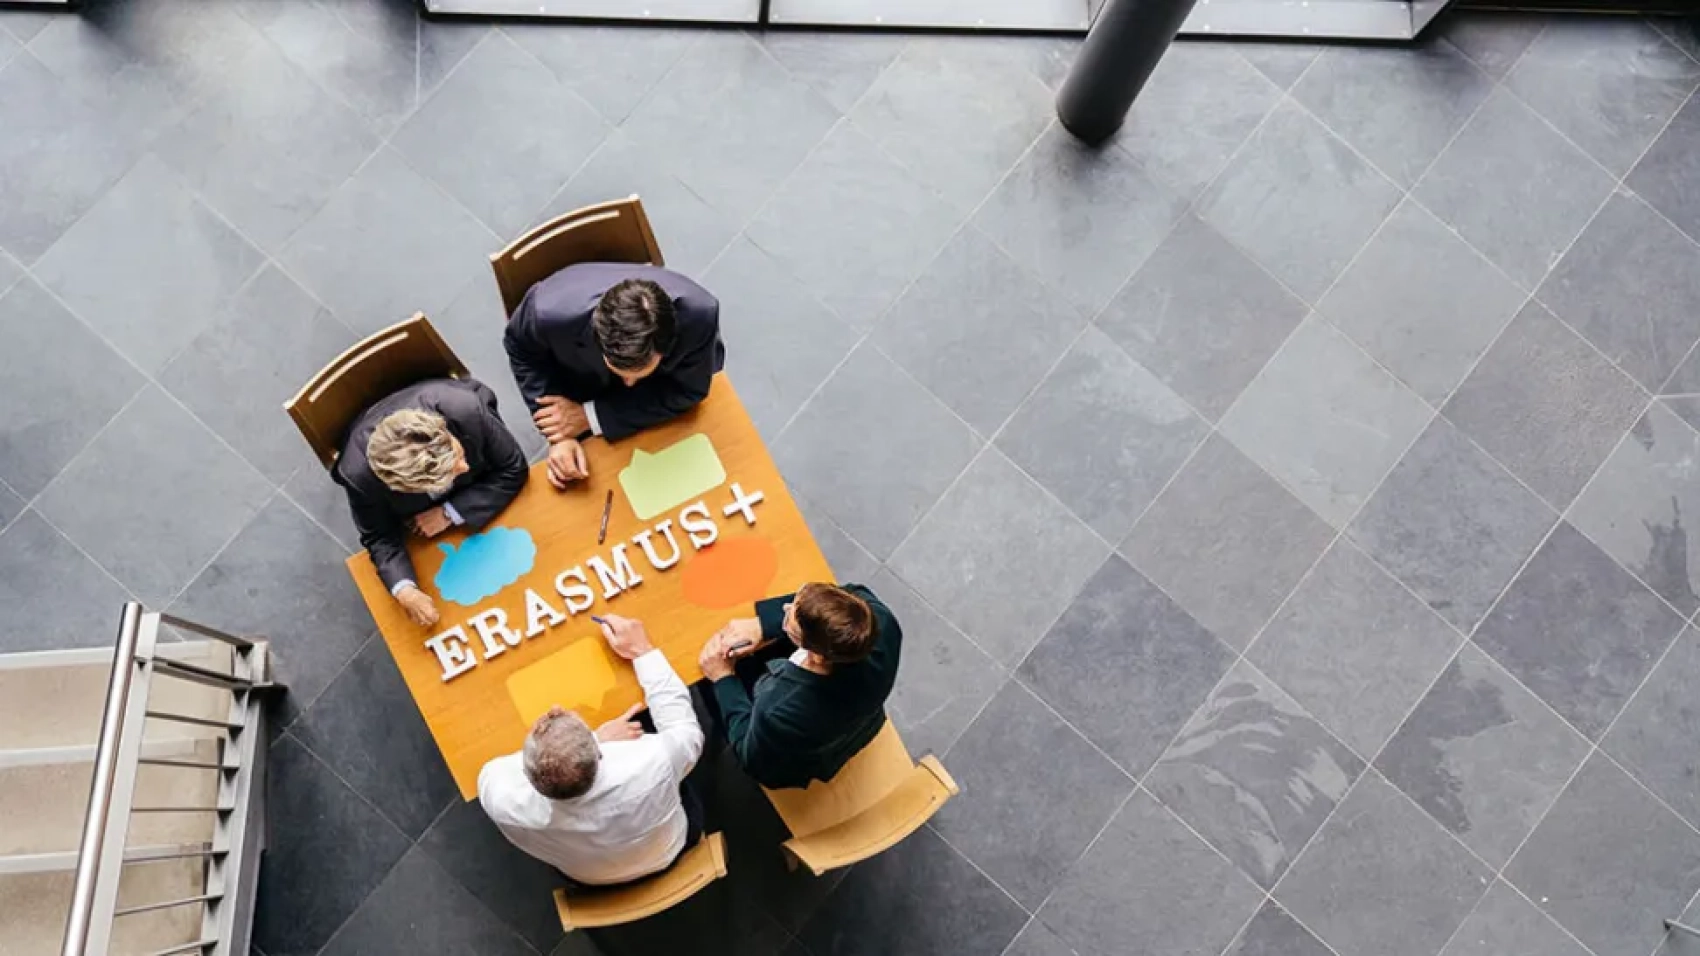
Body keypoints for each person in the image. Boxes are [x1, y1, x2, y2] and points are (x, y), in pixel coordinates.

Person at [478, 614, 706, 886]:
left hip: (588, 878)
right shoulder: (653, 761)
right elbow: (686, 731)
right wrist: (643, 651)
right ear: (598, 754)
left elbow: (491, 770)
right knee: (640, 722)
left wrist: (597, 738)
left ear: (526, 774)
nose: (555, 708)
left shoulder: (503, 802)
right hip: (668, 849)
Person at [333, 378, 530, 628]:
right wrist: (404, 590)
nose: (464, 466)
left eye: (458, 454)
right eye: (451, 472)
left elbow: (513, 468)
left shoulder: (467, 410)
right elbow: (379, 536)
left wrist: (448, 513)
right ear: (407, 487)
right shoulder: (359, 477)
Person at [503, 263, 724, 482]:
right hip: (582, 383)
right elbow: (521, 349)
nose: (629, 384)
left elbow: (689, 390)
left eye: (640, 373)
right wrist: (559, 435)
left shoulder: (699, 316)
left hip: (659, 389)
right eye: (621, 371)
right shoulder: (547, 314)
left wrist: (590, 416)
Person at [698, 583, 901, 790]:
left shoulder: (779, 709)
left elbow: (752, 758)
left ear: (817, 656)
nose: (785, 608)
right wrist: (763, 625)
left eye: (789, 619)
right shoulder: (881, 620)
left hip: (814, 753)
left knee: (708, 688)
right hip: (862, 722)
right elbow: (849, 594)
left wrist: (723, 677)